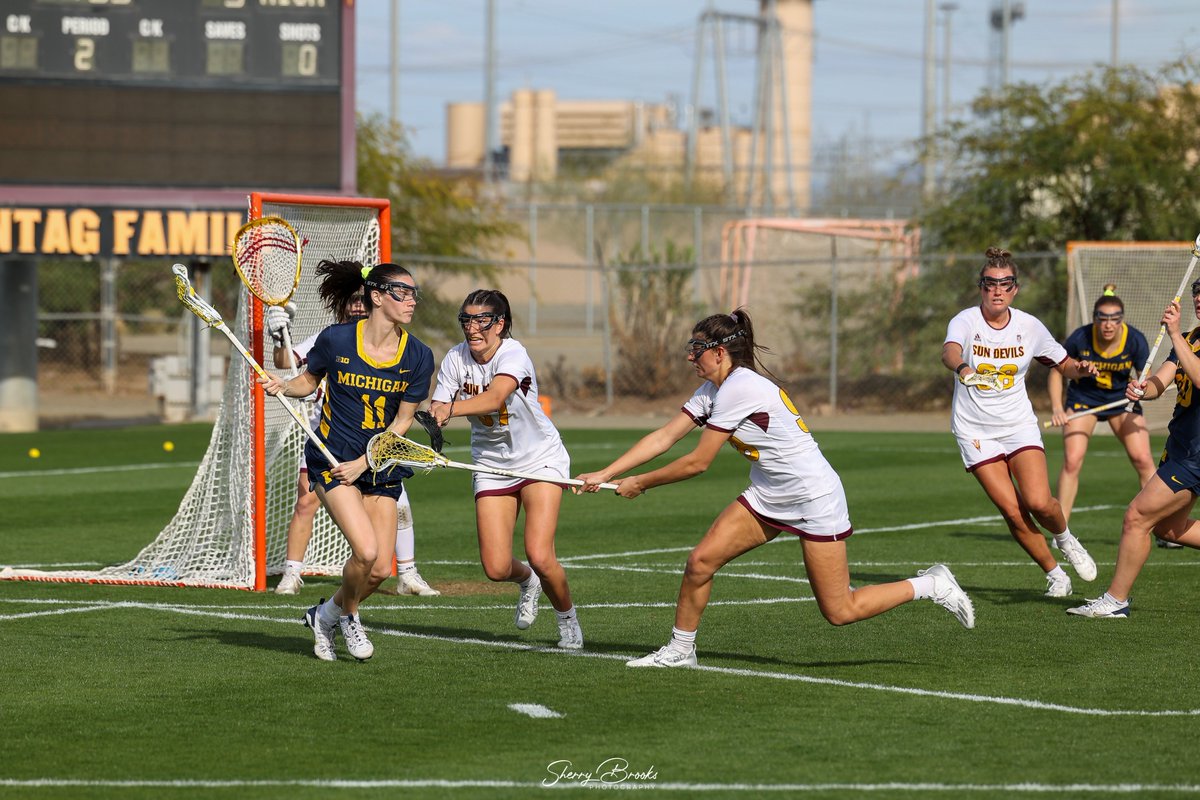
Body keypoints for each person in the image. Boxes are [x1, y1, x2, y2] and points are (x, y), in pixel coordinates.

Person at [576, 309, 975, 669]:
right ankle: (682, 649)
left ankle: (931, 584)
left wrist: (641, 483)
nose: (689, 357)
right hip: (767, 493)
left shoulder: (739, 388)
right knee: (700, 562)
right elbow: (665, 436)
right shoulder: (712, 391)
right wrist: (606, 472)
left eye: (695, 348)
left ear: (719, 352)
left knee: (840, 610)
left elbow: (698, 462)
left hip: (812, 497)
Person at [260, 260, 434, 661]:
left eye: (413, 294)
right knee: (367, 552)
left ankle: (325, 614)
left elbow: (404, 421)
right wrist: (285, 386)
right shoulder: (337, 339)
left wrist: (365, 461)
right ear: (376, 297)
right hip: (332, 459)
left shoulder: (419, 355)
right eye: (401, 294)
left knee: (381, 571)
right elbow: (309, 380)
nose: (411, 301)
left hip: (378, 465)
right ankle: (350, 617)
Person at [427, 289, 584, 650]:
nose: (472, 328)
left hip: (539, 458)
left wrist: (449, 410)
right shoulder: (455, 357)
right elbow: (440, 401)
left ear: (500, 323)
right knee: (496, 568)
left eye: (481, 320)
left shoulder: (514, 353)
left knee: (541, 555)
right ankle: (527, 581)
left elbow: (495, 397)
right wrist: (433, 414)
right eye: (466, 319)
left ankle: (567, 619)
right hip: (491, 463)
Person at [942, 246, 1099, 599]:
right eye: (989, 284)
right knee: (1013, 512)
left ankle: (1065, 539)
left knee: (1040, 502)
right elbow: (949, 350)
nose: (996, 290)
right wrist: (963, 367)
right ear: (981, 287)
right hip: (975, 431)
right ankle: (1055, 574)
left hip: (1018, 426)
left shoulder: (1030, 327)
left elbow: (1064, 364)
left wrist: (1082, 369)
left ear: (1015, 289)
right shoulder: (965, 321)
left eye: (1004, 284)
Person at [1069, 284, 1200, 618]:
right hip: (1180, 446)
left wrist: (1173, 334)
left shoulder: (1183, 339)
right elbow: (1164, 379)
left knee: (1137, 517)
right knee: (1168, 528)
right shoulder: (1191, 337)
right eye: (1197, 293)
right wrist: (1144, 389)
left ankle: (1115, 601)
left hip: (1196, 455)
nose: (1198, 299)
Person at [1048, 285, 1156, 525]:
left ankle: (1159, 524)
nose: (1108, 324)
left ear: (1121, 320)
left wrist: (1142, 389)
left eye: (1114, 319)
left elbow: (1145, 379)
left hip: (1121, 400)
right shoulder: (1080, 337)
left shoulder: (1135, 340)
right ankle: (1061, 530)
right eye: (1103, 318)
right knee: (1073, 460)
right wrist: (1057, 408)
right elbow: (1057, 372)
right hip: (1084, 400)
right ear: (1095, 318)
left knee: (1143, 459)